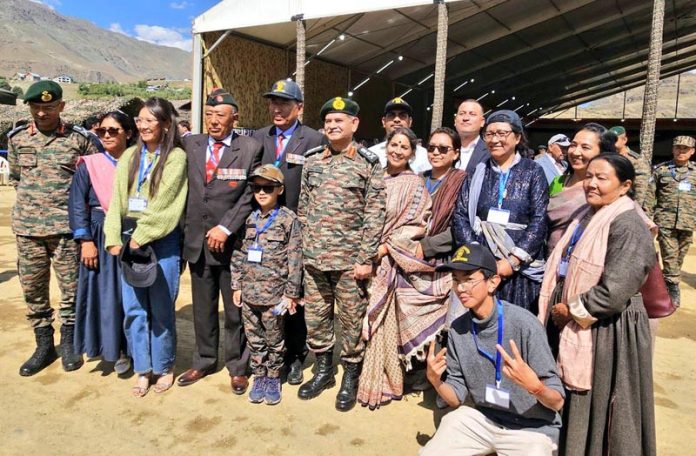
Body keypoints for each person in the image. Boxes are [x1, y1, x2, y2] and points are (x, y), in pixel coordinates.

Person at [539, 154, 656, 455]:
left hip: (606, 329)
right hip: (576, 318)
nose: (590, 183)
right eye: (589, 176)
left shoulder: (628, 223)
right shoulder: (588, 213)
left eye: (601, 178)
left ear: (625, 185)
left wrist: (571, 311)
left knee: (602, 399)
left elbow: (615, 290)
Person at [421, 244, 564, 455]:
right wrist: (435, 381)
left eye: (469, 279)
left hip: (531, 428)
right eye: (456, 280)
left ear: (493, 282)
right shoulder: (457, 330)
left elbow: (557, 402)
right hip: (483, 419)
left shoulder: (525, 324)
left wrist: (536, 387)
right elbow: (455, 398)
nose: (460, 288)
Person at [297, 96, 386, 411]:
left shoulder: (368, 163)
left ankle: (350, 374)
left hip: (349, 262)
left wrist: (364, 259)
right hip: (315, 260)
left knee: (350, 320)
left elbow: (375, 214)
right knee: (316, 318)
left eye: (340, 120)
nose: (333, 126)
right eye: (329, 121)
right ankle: (323, 371)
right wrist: (305, 249)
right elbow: (304, 209)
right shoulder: (312, 160)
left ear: (354, 124)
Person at [9, 80, 99, 377]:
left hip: (66, 230)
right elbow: (17, 178)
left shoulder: (80, 140)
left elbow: (92, 183)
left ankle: (70, 343)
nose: (42, 113)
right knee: (33, 290)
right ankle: (44, 345)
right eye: (36, 107)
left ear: (61, 106)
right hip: (28, 229)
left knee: (71, 290)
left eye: (48, 107)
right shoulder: (18, 139)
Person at [357, 127, 451, 409]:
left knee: (387, 323)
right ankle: (364, 374)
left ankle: (388, 381)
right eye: (393, 145)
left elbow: (416, 224)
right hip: (364, 258)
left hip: (392, 261)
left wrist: (385, 249)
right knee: (363, 318)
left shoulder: (415, 183)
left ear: (412, 153)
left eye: (404, 147)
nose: (397, 150)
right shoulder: (374, 176)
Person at [177, 89, 261, 394]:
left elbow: (251, 193)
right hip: (197, 241)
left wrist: (226, 228)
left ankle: (238, 366)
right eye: (209, 115)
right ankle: (204, 360)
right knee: (203, 307)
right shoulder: (192, 144)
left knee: (235, 309)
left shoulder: (250, 148)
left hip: (231, 245)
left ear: (234, 118)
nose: (213, 121)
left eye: (220, 115)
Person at [104, 97, 188, 397]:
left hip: (161, 242)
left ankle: (164, 366)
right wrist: (114, 236)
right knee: (134, 309)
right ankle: (143, 368)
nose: (143, 126)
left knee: (162, 309)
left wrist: (142, 235)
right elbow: (116, 200)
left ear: (165, 124)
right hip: (130, 240)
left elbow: (166, 205)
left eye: (150, 120)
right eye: (140, 120)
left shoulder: (176, 158)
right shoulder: (129, 156)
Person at [252, 79, 324, 385]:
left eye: (284, 103)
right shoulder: (258, 137)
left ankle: (295, 357)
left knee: (294, 296)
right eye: (273, 102)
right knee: (265, 297)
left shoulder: (314, 140)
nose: (277, 109)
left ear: (299, 108)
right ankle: (266, 357)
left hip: (297, 232)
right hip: (265, 231)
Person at [452, 110, 548, 313]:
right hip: (482, 261)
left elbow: (539, 219)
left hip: (519, 265)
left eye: (502, 134)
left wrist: (512, 261)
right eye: (490, 134)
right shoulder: (478, 171)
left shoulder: (533, 171)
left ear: (517, 137)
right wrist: (478, 256)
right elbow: (461, 214)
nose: (495, 139)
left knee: (515, 321)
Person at [69, 110, 136, 374]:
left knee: (132, 294)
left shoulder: (139, 162)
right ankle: (113, 348)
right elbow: (77, 205)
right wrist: (85, 239)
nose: (106, 135)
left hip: (132, 233)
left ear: (128, 133)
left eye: (113, 130)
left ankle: (134, 348)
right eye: (102, 131)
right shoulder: (90, 164)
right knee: (106, 294)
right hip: (99, 234)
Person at [230, 164, 302, 405]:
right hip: (250, 293)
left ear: (279, 190)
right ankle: (259, 375)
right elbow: (239, 254)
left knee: (275, 338)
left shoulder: (288, 219)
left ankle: (273, 375)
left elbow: (295, 259)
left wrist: (291, 294)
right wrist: (236, 285)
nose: (261, 193)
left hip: (275, 296)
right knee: (254, 338)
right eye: (256, 188)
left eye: (267, 188)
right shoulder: (248, 218)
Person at [546, 123, 614, 255]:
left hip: (588, 261)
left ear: (602, 152)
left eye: (585, 147)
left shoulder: (609, 188)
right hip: (550, 259)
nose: (576, 152)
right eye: (573, 145)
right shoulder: (558, 182)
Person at [646, 135, 696, 307]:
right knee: (669, 256)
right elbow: (650, 196)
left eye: (685, 149)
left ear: (692, 152)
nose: (681, 152)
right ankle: (673, 290)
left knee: (678, 258)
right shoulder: (661, 170)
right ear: (673, 149)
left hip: (688, 222)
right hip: (665, 221)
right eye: (678, 148)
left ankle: (669, 281)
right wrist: (647, 218)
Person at [417, 127, 466, 261]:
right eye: (431, 148)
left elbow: (461, 226)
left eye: (443, 149)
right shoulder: (418, 178)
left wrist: (426, 247)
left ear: (456, 154)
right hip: (409, 248)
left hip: (442, 258)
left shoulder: (462, 182)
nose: (436, 152)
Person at [368, 97, 430, 173]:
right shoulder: (372, 152)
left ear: (410, 122)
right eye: (391, 115)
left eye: (402, 115)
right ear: (384, 122)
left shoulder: (423, 154)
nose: (397, 119)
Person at [609, 125, 650, 208]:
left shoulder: (636, 159)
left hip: (626, 203)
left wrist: (636, 207)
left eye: (614, 139)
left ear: (624, 140)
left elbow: (641, 186)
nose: (611, 142)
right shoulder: (607, 157)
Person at [453, 99, 490, 174]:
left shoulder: (490, 152)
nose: (465, 118)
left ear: (482, 122)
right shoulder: (442, 149)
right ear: (455, 121)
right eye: (462, 113)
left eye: (472, 114)